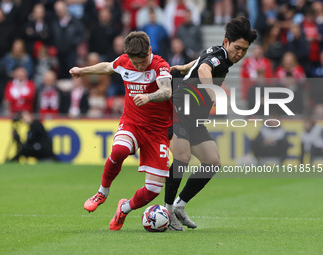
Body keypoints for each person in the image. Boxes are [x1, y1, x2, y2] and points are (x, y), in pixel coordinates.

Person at [69, 31, 173, 231]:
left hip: (157, 131)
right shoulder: (124, 61)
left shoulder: (160, 66)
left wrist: (149, 97)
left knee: (153, 190)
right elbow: (108, 67)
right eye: (135, 63)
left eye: (143, 62)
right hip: (132, 122)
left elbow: (166, 91)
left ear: (150, 51)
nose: (139, 66)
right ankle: (102, 192)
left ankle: (123, 209)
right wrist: (83, 71)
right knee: (119, 151)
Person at [165, 17, 257, 231]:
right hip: (179, 109)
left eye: (244, 50)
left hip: (195, 117)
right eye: (237, 48)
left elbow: (201, 61)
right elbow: (204, 69)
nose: (240, 54)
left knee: (212, 161)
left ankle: (180, 205)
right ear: (226, 42)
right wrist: (214, 93)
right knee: (182, 158)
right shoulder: (218, 58)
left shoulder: (219, 53)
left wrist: (184, 66)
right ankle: (167, 212)